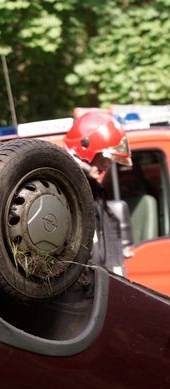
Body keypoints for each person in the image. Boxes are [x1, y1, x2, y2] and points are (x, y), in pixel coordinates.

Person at [63, 111, 132, 274]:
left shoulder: (95, 190)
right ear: (84, 147)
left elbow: (108, 242)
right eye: (105, 156)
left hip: (102, 283)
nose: (108, 164)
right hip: (83, 288)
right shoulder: (64, 192)